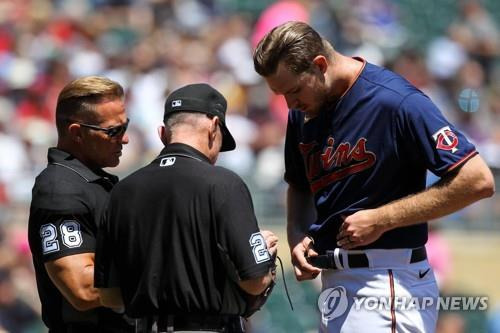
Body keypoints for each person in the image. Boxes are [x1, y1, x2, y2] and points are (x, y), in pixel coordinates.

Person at [253, 21, 495, 333]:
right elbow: (299, 184)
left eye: (294, 90)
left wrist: (383, 218)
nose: (289, 104)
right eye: (281, 94)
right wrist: (296, 234)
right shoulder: (304, 113)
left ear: (320, 65)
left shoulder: (395, 101)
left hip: (388, 281)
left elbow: (477, 180)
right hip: (335, 283)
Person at [94, 83, 278, 333]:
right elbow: (256, 281)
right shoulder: (224, 184)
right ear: (214, 127)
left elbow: (110, 296)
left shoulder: (121, 191)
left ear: (162, 134)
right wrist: (264, 255)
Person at [28, 76, 134, 332]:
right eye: (113, 131)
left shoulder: (93, 182)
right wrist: (161, 272)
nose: (125, 139)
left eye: (125, 126)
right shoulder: (60, 189)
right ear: (77, 133)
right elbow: (83, 289)